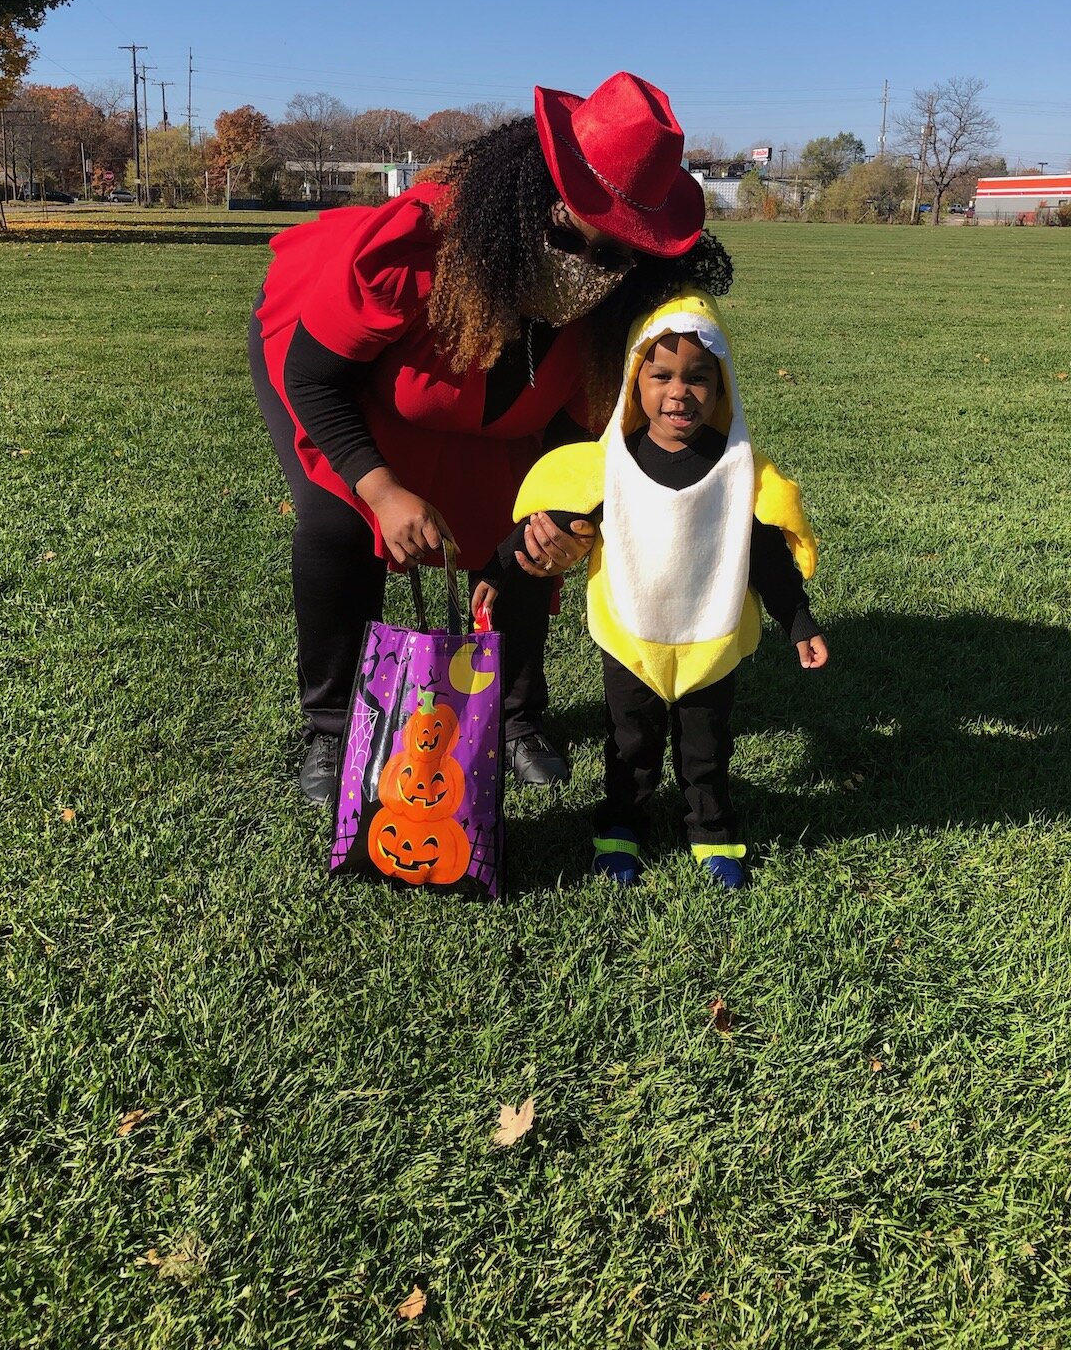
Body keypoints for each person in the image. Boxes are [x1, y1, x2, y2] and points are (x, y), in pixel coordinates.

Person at [250, 71, 710, 805]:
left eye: (616, 255)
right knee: (340, 519)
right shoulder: (419, 247)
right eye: (572, 237)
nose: (587, 271)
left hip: (489, 410)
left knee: (522, 533)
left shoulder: (611, 313)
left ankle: (516, 715)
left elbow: (573, 443)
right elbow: (314, 378)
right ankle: (334, 726)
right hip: (343, 374)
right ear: (528, 201)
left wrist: (563, 518)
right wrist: (383, 487)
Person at [472, 284, 828, 889]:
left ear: (721, 390)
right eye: (660, 376)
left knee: (707, 747)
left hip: (709, 637)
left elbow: (766, 553)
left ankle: (713, 833)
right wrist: (496, 571)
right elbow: (552, 517)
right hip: (631, 633)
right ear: (635, 382)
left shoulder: (742, 470)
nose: (678, 393)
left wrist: (799, 622)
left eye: (697, 378)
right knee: (629, 743)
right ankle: (619, 830)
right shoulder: (608, 463)